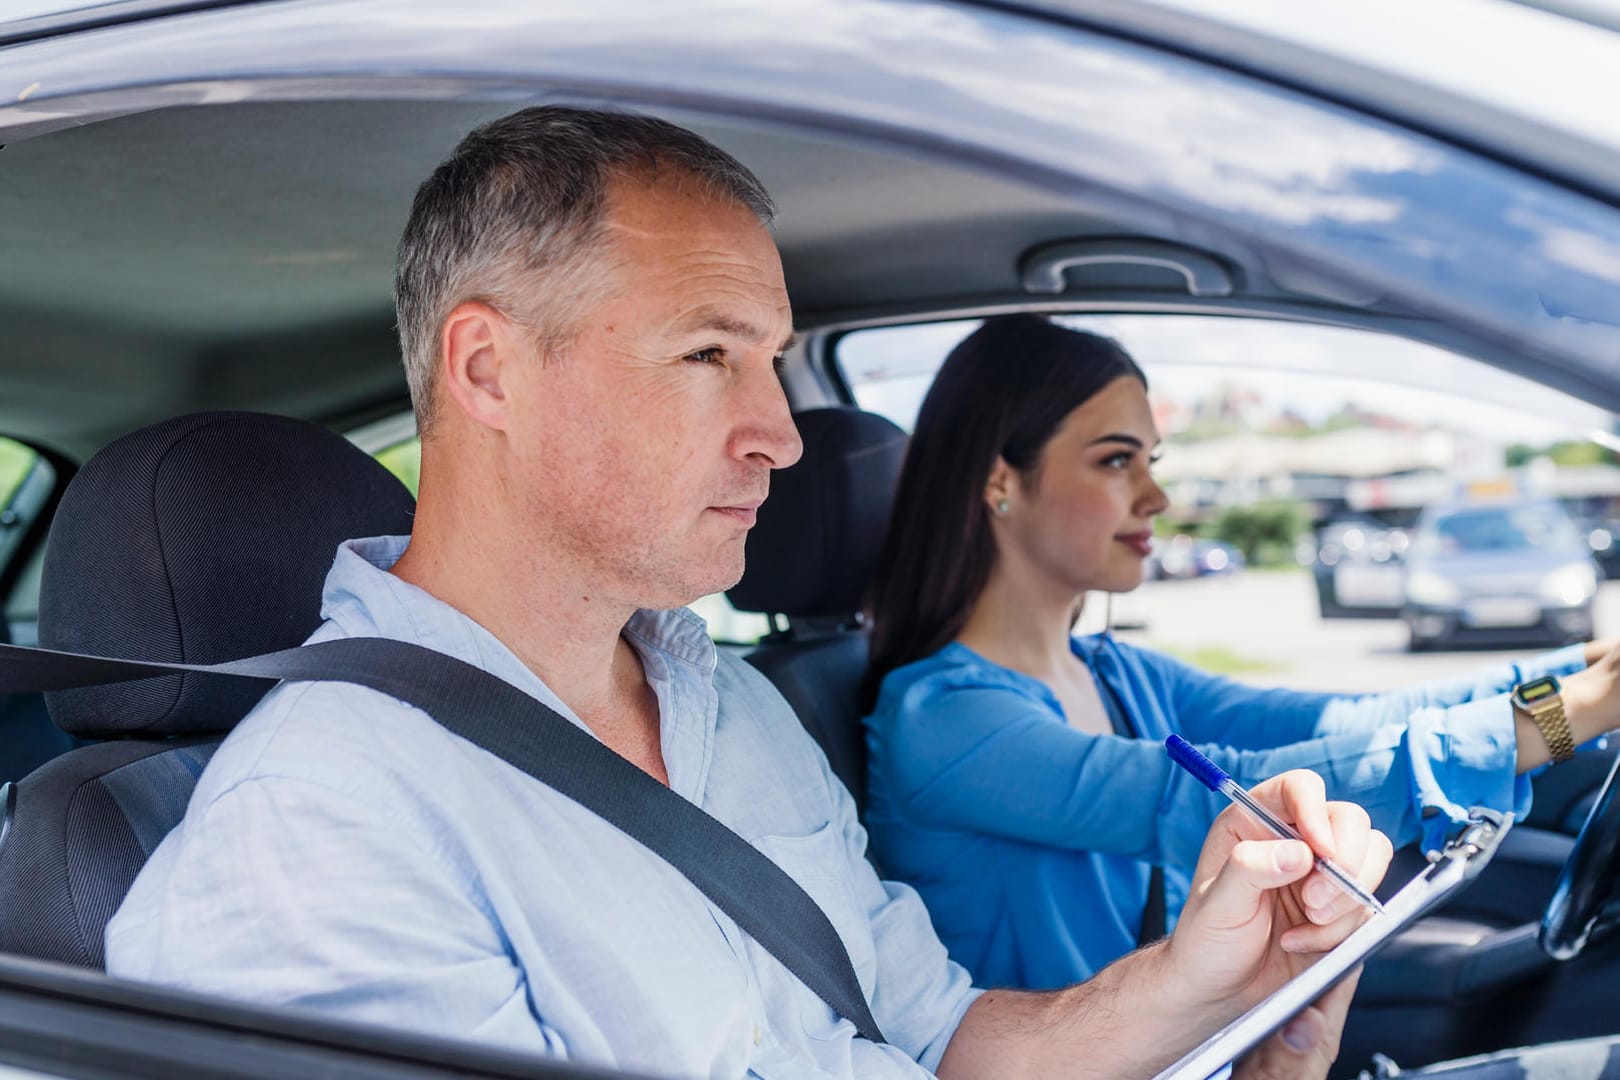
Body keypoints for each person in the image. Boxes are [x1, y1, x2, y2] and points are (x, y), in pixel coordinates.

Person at [103, 107, 1391, 1079]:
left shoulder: (732, 707)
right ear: (489, 372)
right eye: (709, 353)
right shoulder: (314, 835)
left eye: (771, 362)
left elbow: (938, 1041)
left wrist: (1208, 985)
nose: (781, 432)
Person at [860, 314, 1620, 995]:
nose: (1156, 496)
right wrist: (1573, 716)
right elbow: (1239, 804)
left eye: (1152, 460)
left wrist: (1581, 667)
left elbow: (1350, 716)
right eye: (1118, 460)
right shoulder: (944, 720)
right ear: (1001, 480)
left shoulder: (1116, 671)